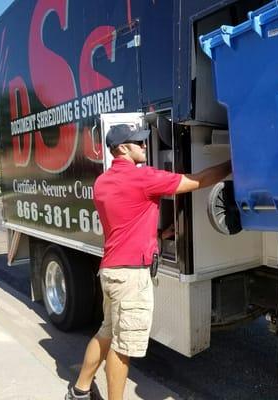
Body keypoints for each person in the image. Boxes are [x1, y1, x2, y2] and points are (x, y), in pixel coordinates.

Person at [66, 124, 232, 400]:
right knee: (123, 347)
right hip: (131, 277)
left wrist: (157, 234)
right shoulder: (143, 179)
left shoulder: (102, 182)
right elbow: (199, 180)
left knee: (106, 332)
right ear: (121, 148)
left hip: (110, 271)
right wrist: (232, 163)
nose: (145, 146)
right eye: (138, 143)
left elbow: (124, 222)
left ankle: (80, 391)